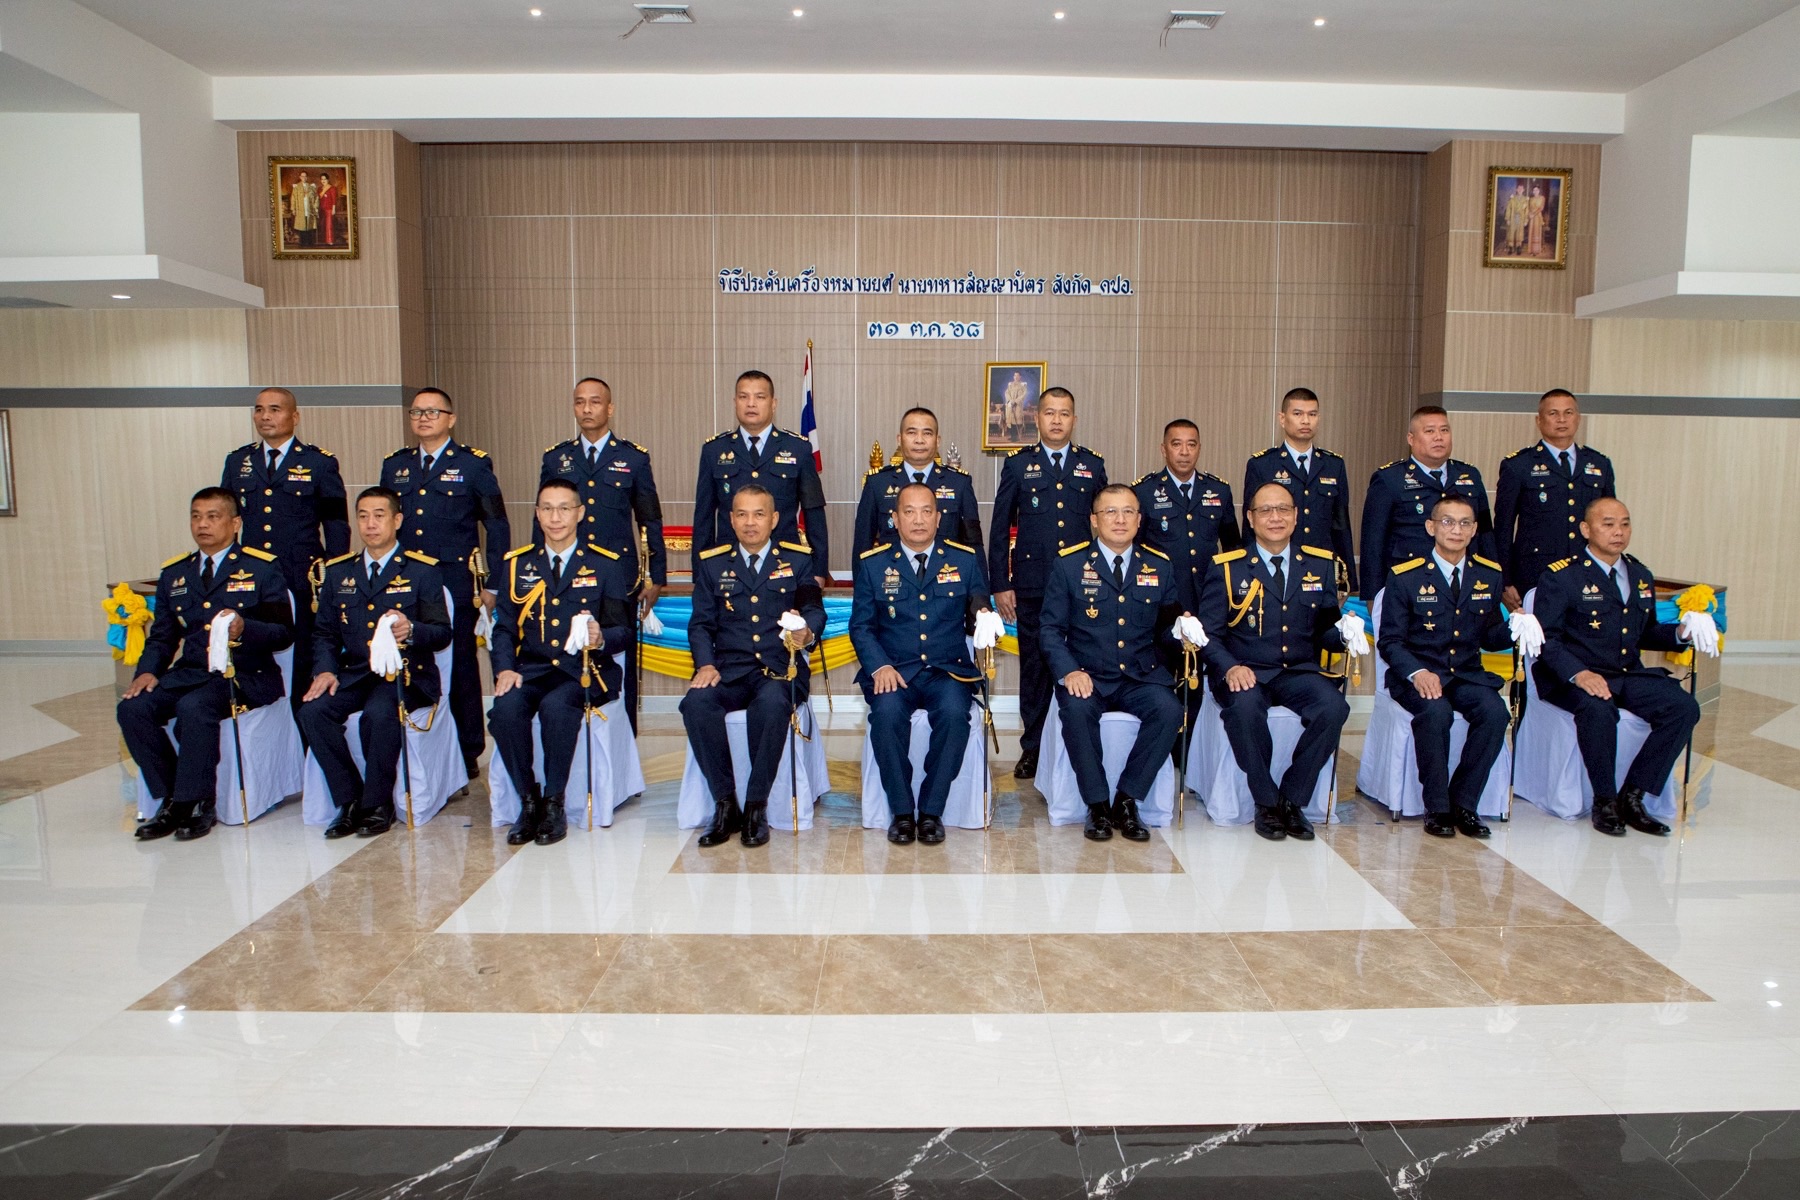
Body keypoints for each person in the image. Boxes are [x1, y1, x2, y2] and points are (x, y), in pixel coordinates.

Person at [118, 489, 294, 842]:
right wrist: (147, 672)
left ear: (235, 523)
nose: (203, 524)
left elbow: (283, 633)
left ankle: (198, 803)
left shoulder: (261, 568)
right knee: (133, 709)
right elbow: (162, 637)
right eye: (196, 516)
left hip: (245, 674)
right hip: (193, 672)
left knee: (194, 707)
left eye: (213, 516)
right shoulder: (175, 574)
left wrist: (247, 627)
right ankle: (172, 798)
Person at [1531, 498, 1712, 838]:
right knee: (1598, 710)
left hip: (1625, 673)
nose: (1618, 532)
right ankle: (1605, 801)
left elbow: (1645, 632)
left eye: (1625, 524)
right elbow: (1547, 640)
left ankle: (1633, 795)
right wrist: (1580, 674)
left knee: (1683, 707)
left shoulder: (1640, 574)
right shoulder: (1562, 576)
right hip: (1573, 676)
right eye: (1609, 524)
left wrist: (1681, 632)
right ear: (1586, 529)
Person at [1198, 483, 1358, 842]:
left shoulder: (1319, 564)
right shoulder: (1228, 567)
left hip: (1297, 671)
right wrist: (1229, 667)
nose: (1275, 518)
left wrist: (1345, 634)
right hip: (1245, 670)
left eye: (1283, 509)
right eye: (1266, 510)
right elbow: (1209, 634)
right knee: (1244, 710)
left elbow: (1324, 632)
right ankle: (1267, 802)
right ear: (1251, 518)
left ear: (1296, 516)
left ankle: (1292, 799)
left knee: (1334, 707)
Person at [488, 480, 636, 847]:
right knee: (505, 711)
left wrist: (601, 638)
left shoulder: (604, 564)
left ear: (580, 513)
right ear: (537, 515)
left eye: (564, 509)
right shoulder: (517, 565)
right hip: (531, 670)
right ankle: (528, 801)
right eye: (547, 509)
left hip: (583, 672)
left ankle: (554, 802)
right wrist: (505, 668)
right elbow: (503, 629)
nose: (556, 518)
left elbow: (623, 630)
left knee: (556, 708)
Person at [300, 487, 452, 839]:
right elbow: (325, 633)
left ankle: (377, 803)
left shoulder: (422, 571)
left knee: (380, 714)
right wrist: (325, 669)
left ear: (397, 520)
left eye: (379, 516)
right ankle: (350, 799)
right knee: (313, 712)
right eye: (363, 516)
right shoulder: (339, 573)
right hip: (355, 674)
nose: (370, 524)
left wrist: (412, 630)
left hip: (406, 676)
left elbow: (442, 633)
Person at [850, 482, 994, 846]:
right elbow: (861, 627)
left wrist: (984, 618)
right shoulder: (874, 565)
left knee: (954, 716)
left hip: (947, 671)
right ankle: (901, 812)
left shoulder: (964, 560)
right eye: (909, 512)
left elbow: (977, 605)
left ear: (938, 517)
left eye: (926, 511)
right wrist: (879, 666)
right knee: (886, 716)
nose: (918, 520)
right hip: (894, 670)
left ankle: (931, 811)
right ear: (895, 519)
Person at [1041, 485, 1187, 843]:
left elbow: (1166, 630)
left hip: (1139, 676)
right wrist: (1069, 670)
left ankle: (1126, 800)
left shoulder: (1159, 566)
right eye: (1110, 512)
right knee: (1076, 711)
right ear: (1094, 520)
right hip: (1087, 675)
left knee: (1169, 709)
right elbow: (1049, 630)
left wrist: (1182, 633)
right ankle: (1096, 805)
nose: (1119, 520)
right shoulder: (1069, 564)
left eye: (1128, 512)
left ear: (1139, 520)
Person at [683, 486, 826, 848]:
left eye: (759, 514)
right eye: (742, 514)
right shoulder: (713, 564)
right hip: (728, 669)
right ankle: (725, 804)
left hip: (778, 668)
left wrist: (807, 632)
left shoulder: (798, 561)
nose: (750, 522)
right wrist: (705, 664)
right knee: (696, 704)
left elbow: (813, 609)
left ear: (774, 519)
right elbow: (700, 625)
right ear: (731, 520)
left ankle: (755, 806)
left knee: (773, 704)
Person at [1377, 493, 1527, 839]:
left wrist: (1516, 626)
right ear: (1431, 527)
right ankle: (1437, 806)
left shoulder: (1488, 575)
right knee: (1436, 713)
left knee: (1495, 713)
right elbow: (1390, 641)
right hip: (1417, 675)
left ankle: (1464, 803)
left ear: (1474, 530)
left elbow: (1489, 637)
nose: (1456, 530)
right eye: (1447, 522)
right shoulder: (1405, 576)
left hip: (1466, 674)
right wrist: (1417, 673)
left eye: (1464, 523)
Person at [379, 387, 510, 778]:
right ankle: (411, 738)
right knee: (409, 658)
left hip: (454, 582)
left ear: (451, 419)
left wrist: (493, 584)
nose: (423, 418)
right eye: (417, 412)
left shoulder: (473, 464)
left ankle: (467, 748)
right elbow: (385, 522)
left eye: (432, 412)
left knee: (461, 664)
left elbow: (497, 525)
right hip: (406, 582)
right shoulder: (395, 466)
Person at [989, 386, 1107, 780]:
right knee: (1036, 667)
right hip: (1032, 584)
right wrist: (1000, 583)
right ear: (1036, 418)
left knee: (1083, 660)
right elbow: (999, 526)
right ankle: (1033, 747)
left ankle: (1079, 743)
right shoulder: (1018, 465)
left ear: (1074, 419)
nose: (1057, 420)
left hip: (1083, 585)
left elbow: (1106, 525)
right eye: (1050, 413)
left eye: (1064, 413)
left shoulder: (1092, 465)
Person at [537, 376, 667, 731]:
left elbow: (649, 519)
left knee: (619, 655)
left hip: (619, 579)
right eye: (580, 402)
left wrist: (655, 575)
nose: (587, 409)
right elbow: (542, 519)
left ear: (610, 408)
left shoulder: (633, 458)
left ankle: (623, 738)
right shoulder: (557, 458)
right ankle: (568, 729)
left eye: (595, 402)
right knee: (564, 652)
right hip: (565, 576)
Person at [219, 386, 348, 719]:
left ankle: (303, 730)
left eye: (275, 409)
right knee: (252, 653)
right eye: (259, 409)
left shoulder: (319, 462)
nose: (265, 416)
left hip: (301, 578)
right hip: (251, 579)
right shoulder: (238, 461)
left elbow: (336, 526)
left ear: (295, 416)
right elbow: (225, 521)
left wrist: (333, 578)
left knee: (303, 655)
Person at [694, 370, 830, 589]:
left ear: (773, 403)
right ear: (735, 402)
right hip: (729, 567)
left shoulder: (798, 449)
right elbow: (703, 518)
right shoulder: (714, 451)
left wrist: (818, 570)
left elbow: (814, 514)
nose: (751, 404)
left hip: (785, 565)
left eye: (759, 397)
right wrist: (700, 574)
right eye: (744, 397)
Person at [1493, 388, 1616, 610]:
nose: (1562, 419)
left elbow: (1610, 522)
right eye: (1553, 413)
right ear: (1539, 420)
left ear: (1578, 418)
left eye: (1568, 413)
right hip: (1535, 574)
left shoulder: (1599, 464)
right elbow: (1503, 527)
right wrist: (1505, 580)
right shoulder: (1518, 465)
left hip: (1587, 571)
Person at [1359, 405, 1495, 601]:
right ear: (1411, 439)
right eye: (1430, 431)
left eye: (1444, 430)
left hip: (1465, 582)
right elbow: (1373, 543)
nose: (1439, 437)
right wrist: (1373, 596)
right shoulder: (1389, 479)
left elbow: (1486, 533)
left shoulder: (1469, 475)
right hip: (1410, 584)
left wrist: (1494, 581)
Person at [1243, 387, 1354, 574]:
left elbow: (1341, 526)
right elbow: (1250, 525)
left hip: (1322, 566)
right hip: (1277, 567)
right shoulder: (1262, 465)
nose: (1305, 420)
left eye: (1312, 414)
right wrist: (1250, 571)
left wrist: (1347, 575)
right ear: (1282, 419)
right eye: (1297, 414)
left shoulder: (1334, 465)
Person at [853, 406, 983, 561]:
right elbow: (862, 545)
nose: (919, 440)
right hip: (892, 573)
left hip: (946, 573)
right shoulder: (877, 483)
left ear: (938, 440)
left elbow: (973, 544)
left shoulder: (959, 483)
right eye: (911, 432)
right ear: (899, 439)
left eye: (927, 433)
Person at [1135, 419, 1239, 610]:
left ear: (1199, 448)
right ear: (1163, 449)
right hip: (1161, 599)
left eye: (1191, 445)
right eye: (1176, 444)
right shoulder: (1144, 492)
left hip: (1209, 598)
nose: (1184, 452)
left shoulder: (1219, 491)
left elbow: (1233, 549)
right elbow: (1134, 550)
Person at [289, 171, 317, 248]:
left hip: (309, 209)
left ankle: (310, 243)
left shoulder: (311, 187)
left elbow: (316, 197)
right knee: (302, 226)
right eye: (302, 176)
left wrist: (315, 207)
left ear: (307, 177)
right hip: (300, 209)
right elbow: (293, 198)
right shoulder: (296, 187)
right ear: (300, 177)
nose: (304, 178)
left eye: (305, 176)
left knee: (309, 225)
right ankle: (302, 243)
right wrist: (293, 209)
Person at [1503, 181, 1529, 256]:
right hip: (1513, 217)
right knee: (1511, 232)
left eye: (1521, 189)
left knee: (1519, 233)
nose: (1520, 190)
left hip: (1521, 218)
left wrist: (1526, 220)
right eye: (1518, 188)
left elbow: (1526, 211)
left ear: (1523, 190)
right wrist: (1508, 218)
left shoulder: (1525, 199)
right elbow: (1508, 208)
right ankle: (1510, 248)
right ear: (1516, 189)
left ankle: (1518, 248)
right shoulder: (1512, 198)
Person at [317, 171, 339, 247]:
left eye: (325, 179)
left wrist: (334, 209)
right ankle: (324, 240)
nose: (323, 181)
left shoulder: (332, 188)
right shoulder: (319, 189)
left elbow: (334, 199)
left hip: (329, 209)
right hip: (321, 209)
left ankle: (330, 240)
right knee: (323, 225)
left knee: (329, 225)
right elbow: (318, 198)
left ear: (328, 180)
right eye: (322, 179)